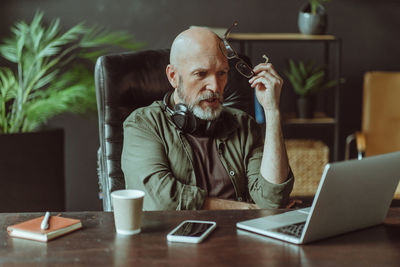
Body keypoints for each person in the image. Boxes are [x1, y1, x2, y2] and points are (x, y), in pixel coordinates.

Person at [121, 27, 294, 210]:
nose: (215, 86)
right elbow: (160, 201)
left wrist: (272, 110)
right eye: (201, 74)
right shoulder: (143, 124)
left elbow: (272, 200)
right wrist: (246, 209)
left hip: (241, 236)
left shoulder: (243, 124)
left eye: (222, 73)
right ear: (173, 76)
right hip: (176, 236)